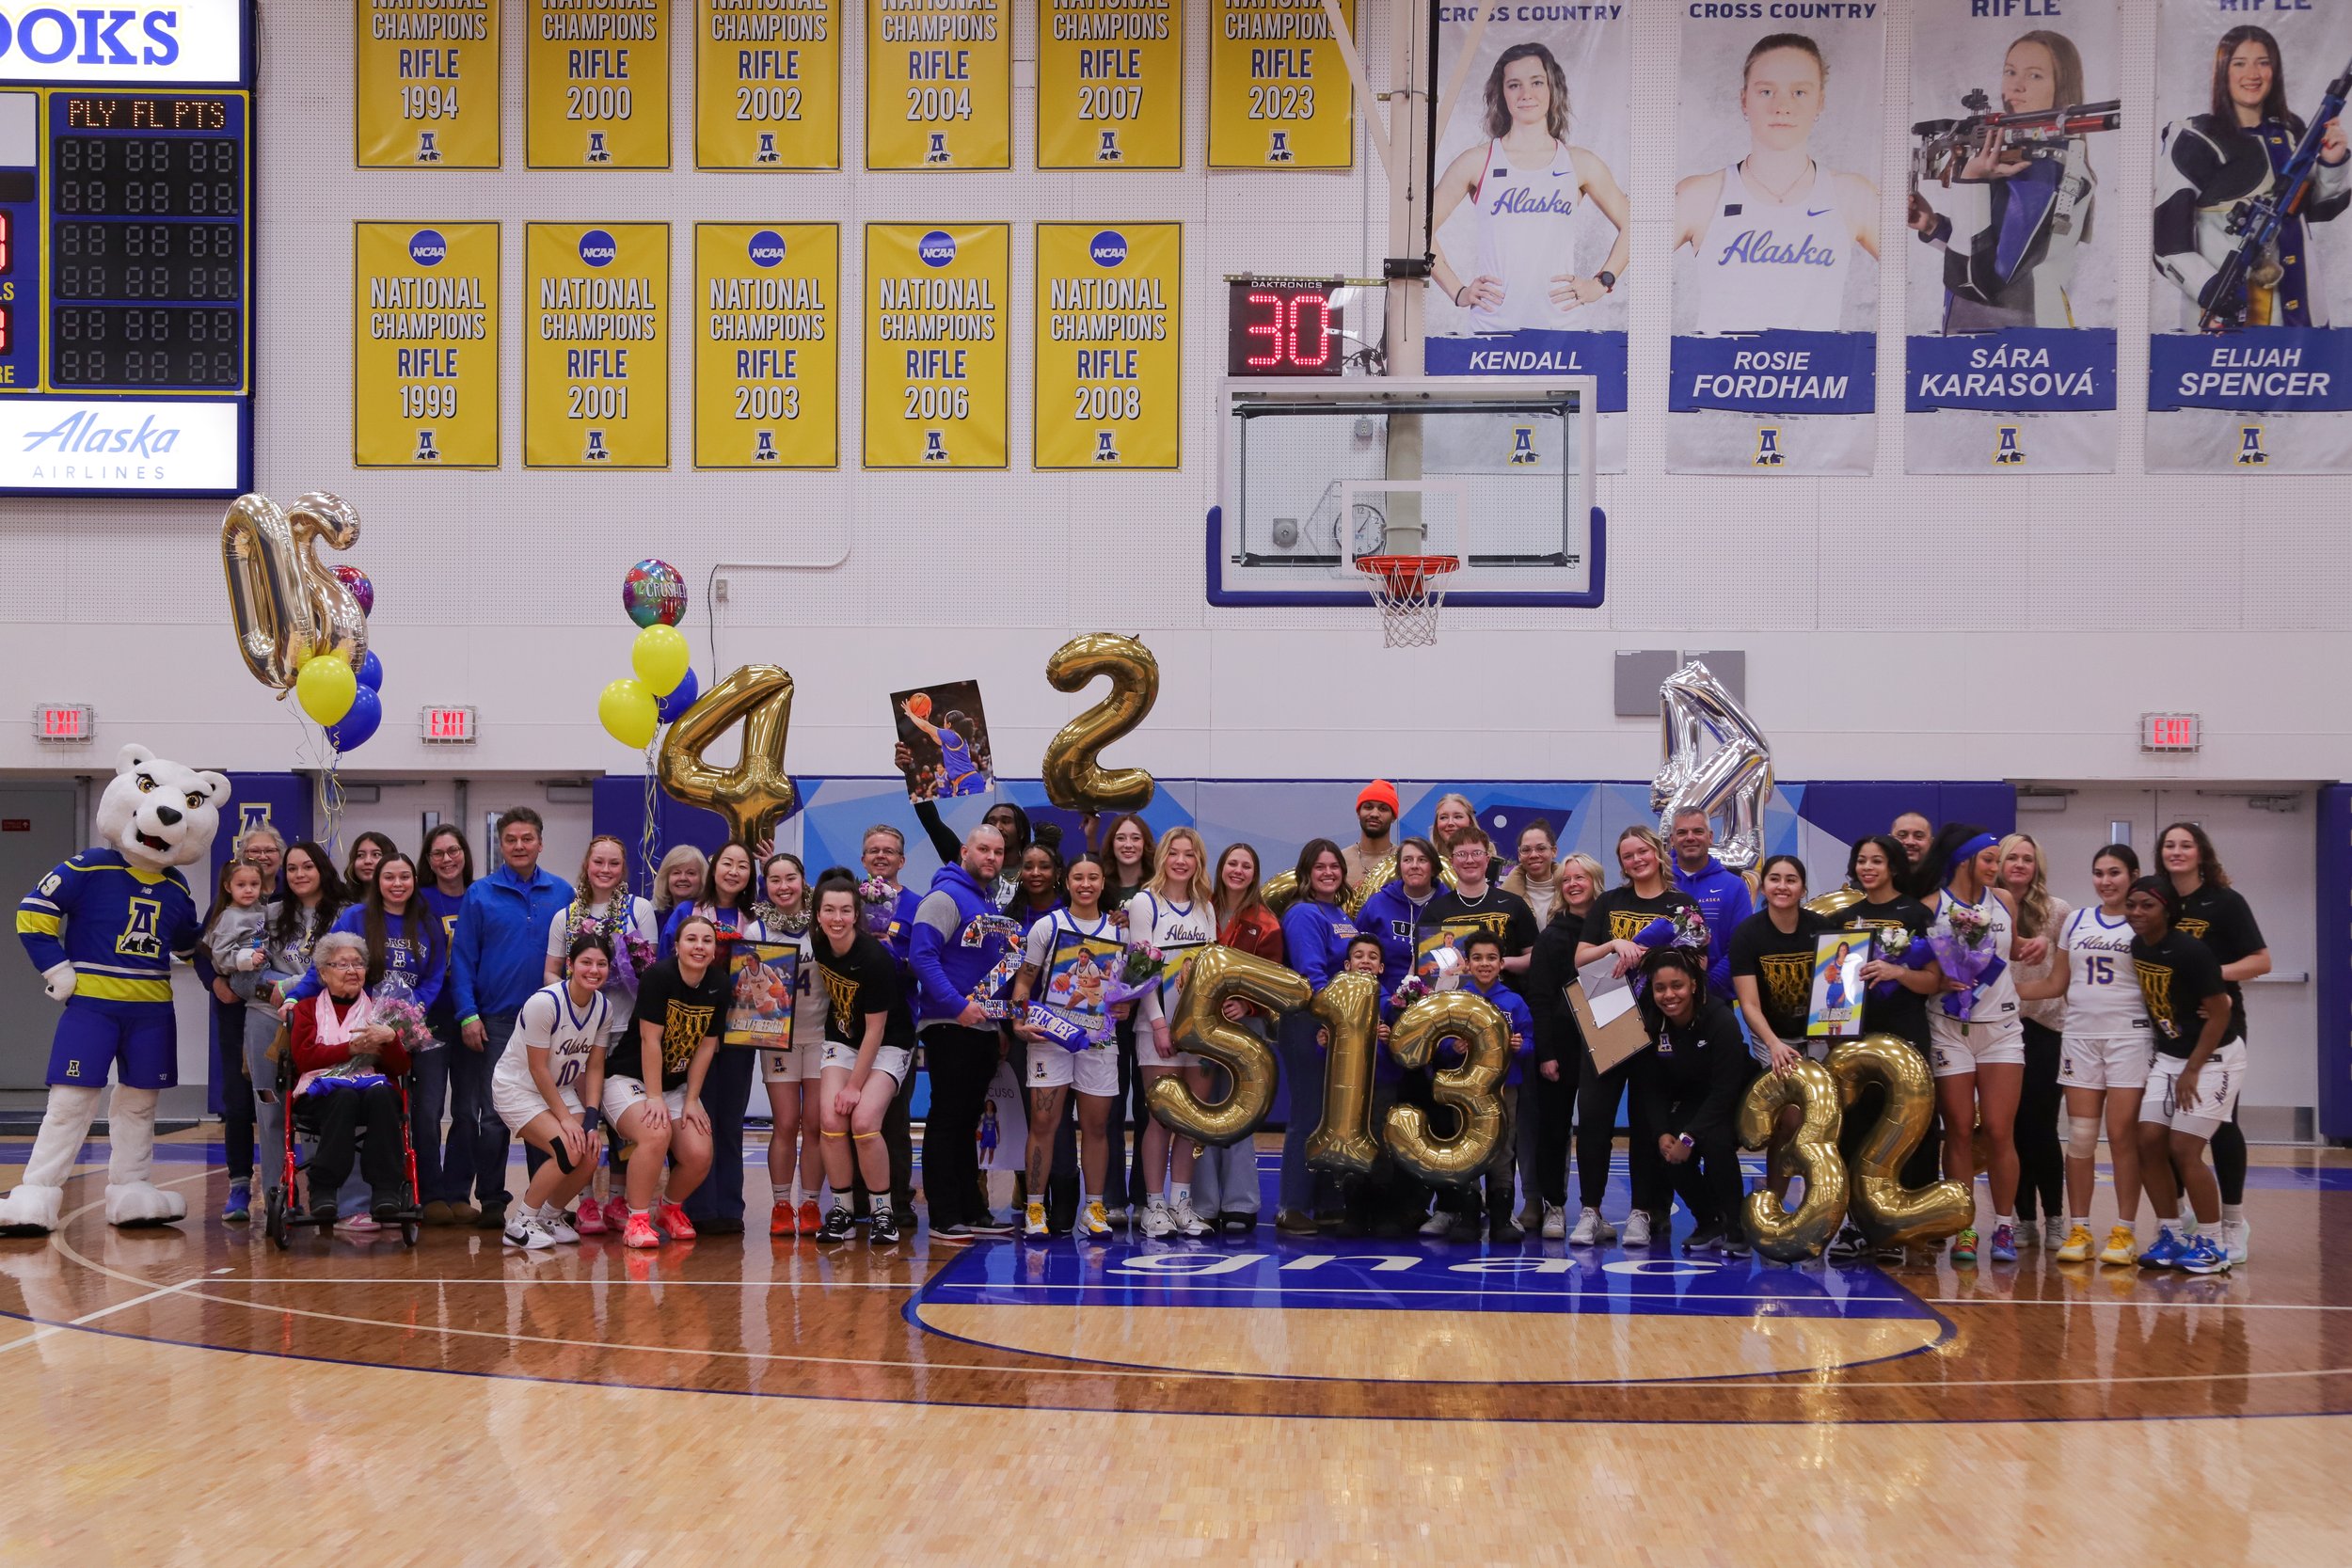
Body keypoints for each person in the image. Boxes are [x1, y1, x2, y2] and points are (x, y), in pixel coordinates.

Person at [1673, 32, 1879, 334]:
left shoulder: (1853, 195)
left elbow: (1918, 273)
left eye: (1799, 92)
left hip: (1816, 377)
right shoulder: (1700, 194)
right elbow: (1631, 267)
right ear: (1744, 99)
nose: (1782, 107)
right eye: (1767, 91)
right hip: (1722, 376)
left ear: (1820, 102)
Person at [2155, 25, 2349, 330]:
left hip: (2306, 320)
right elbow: (2168, 244)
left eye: (2263, 62)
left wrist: (2332, 161)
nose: (2253, 73)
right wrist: (2211, 290)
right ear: (2222, 71)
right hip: (2227, 322)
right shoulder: (2195, 138)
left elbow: (2321, 208)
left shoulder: (2291, 130)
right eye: (2239, 63)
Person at [1431, 40, 1632, 333]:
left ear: (1553, 88)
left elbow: (1635, 226)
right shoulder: (1476, 162)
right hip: (1492, 329)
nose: (1526, 94)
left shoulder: (1579, 162)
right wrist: (1457, 291)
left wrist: (1602, 283)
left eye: (1536, 82)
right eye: (1514, 85)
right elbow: (1417, 232)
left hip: (1563, 331)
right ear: (1502, 93)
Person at [1909, 31, 2102, 331]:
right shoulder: (2023, 157)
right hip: (1992, 334)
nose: (2016, 85)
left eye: (2035, 75)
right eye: (2010, 71)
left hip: (2019, 339)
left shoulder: (2045, 167)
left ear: (2061, 88)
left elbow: (1979, 281)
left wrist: (1971, 180)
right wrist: (1933, 225)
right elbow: (1985, 249)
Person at [2017, 844, 2151, 1266]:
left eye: (2114, 872)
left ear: (2132, 875)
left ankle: (2125, 1231)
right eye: (2099, 873)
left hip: (2128, 1037)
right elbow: (2056, 982)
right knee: (2079, 1138)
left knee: (2123, 1136)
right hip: (2079, 1037)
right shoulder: (2076, 920)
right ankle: (2080, 1228)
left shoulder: (2144, 922)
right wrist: (2001, 993)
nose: (2106, 881)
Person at [1915, 822, 2041, 1265]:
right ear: (1964, 861)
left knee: (2001, 1131)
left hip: (2002, 1028)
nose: (1997, 868)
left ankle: (2004, 1226)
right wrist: (1937, 979)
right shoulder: (1931, 905)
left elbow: (2010, 945)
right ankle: (1964, 1226)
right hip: (1950, 1026)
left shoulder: (2004, 901)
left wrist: (2033, 945)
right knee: (1961, 1131)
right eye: (1989, 860)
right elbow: (1921, 966)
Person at [1574, 825, 1702, 1247]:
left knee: (1649, 1122)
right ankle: (1591, 1211)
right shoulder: (1611, 902)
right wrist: (1616, 944)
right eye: (1627, 855)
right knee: (1594, 1118)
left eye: (1642, 851)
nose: (1636, 860)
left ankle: (1641, 1212)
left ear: (1657, 852)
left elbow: (1699, 960)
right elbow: (1580, 959)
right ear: (1621, 863)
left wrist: (1655, 956)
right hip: (1609, 1017)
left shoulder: (1680, 903)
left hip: (1659, 1021)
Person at [448, 808, 574, 1234]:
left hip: (552, 1025)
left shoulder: (563, 892)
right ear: (500, 845)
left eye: (527, 838)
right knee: (494, 1116)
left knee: (546, 1114)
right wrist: (467, 1014)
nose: (519, 846)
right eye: (511, 840)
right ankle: (491, 1201)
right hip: (497, 1020)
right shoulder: (480, 894)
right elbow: (462, 960)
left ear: (540, 842)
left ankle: (540, 1207)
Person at [1827, 834, 1947, 1261]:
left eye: (1877, 861)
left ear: (1893, 866)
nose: (1868, 868)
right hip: (1855, 1035)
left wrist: (1897, 971)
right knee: (1855, 1124)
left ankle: (1908, 1224)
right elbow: (1832, 981)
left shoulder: (1914, 913)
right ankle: (1856, 1224)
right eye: (1862, 861)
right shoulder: (1846, 917)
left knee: (1911, 1128)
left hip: (1905, 1030)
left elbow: (1934, 980)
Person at [2160, 820, 2268, 1264]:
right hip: (2170, 1030)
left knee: (2222, 1125)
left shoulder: (2225, 903)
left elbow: (2261, 960)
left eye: (2186, 845)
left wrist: (2213, 976)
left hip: (2219, 1026)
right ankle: (2183, 1219)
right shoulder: (2159, 901)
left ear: (2201, 853)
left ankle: (2232, 1221)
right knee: (2171, 1128)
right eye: (2169, 845)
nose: (2177, 851)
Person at [541, 835, 656, 1237]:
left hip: (627, 1028)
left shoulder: (639, 910)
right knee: (584, 1115)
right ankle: (587, 1199)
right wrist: (580, 991)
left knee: (623, 1121)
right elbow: (551, 972)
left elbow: (650, 972)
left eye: (613, 864)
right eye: (598, 863)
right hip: (580, 1032)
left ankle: (620, 1198)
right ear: (586, 866)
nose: (605, 870)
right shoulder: (566, 915)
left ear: (623, 869)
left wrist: (626, 971)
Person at [2124, 877, 2239, 1275]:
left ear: (2167, 910)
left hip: (2213, 1058)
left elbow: (2221, 1010)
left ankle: (2213, 1243)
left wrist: (2192, 1069)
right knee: (2148, 1140)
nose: (2137, 913)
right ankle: (2170, 1233)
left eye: (2146, 906)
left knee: (2185, 1148)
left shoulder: (2192, 952)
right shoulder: (2139, 946)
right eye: (2132, 905)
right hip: (2170, 1056)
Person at [1011, 852, 1124, 1239]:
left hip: (1099, 1039)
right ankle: (1035, 1207)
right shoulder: (1048, 926)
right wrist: (1018, 1018)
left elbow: (1124, 991)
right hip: (1051, 1038)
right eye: (1079, 877)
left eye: (1094, 876)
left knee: (1096, 1127)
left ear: (1103, 881)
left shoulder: (1118, 932)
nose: (1086, 884)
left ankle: (1093, 1207)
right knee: (1043, 1123)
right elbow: (1023, 982)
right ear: (1067, 881)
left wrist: (1125, 1004)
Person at [912, 825, 1015, 1241]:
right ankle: (943, 1215)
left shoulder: (985, 902)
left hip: (981, 1027)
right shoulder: (944, 897)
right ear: (964, 851)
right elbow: (922, 956)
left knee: (966, 1121)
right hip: (949, 1026)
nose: (991, 857)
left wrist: (997, 1023)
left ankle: (972, 1210)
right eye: (983, 849)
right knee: (947, 1120)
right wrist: (956, 1006)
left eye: (999, 851)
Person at [807, 877, 919, 1247]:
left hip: (888, 1042)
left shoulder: (874, 958)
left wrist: (854, 1085)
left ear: (857, 914)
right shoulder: (820, 944)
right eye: (829, 910)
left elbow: (876, 1029)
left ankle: (882, 1213)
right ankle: (841, 1211)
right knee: (829, 1120)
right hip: (843, 1039)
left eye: (845, 910)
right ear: (818, 914)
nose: (836, 918)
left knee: (866, 1121)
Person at [660, 842, 760, 1233]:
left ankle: (729, 1207)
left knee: (730, 1117)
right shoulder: (688, 912)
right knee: (693, 1115)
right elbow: (667, 963)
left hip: (741, 1029)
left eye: (743, 866)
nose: (734, 872)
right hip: (693, 1028)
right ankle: (696, 1208)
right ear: (713, 868)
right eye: (727, 863)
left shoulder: (756, 917)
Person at [608, 914, 724, 1249]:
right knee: (655, 1133)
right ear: (676, 946)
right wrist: (654, 1097)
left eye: (706, 940)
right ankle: (637, 1219)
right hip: (627, 1077)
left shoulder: (718, 983)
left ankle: (669, 1210)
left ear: (715, 949)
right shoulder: (659, 977)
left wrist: (691, 1099)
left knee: (700, 1152)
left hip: (675, 1087)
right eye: (691, 939)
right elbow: (650, 1041)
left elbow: (706, 1047)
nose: (699, 946)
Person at [285, 930, 415, 1228]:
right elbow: (304, 1058)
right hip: (320, 1096)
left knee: (382, 1095)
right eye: (341, 964)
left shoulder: (381, 1010)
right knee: (342, 1096)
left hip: (371, 1094)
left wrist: (391, 1038)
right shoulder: (306, 1009)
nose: (351, 970)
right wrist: (350, 1049)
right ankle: (324, 1191)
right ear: (323, 973)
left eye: (357, 964)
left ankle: (385, 1191)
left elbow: (401, 1066)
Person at [1130, 827, 1224, 1239]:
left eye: (1190, 854)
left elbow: (1213, 972)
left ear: (1199, 861)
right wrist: (1158, 1024)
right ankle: (1154, 1205)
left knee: (1191, 1120)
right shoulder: (1144, 903)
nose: (1182, 861)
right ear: (1163, 858)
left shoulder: (1206, 905)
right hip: (1158, 1026)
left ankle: (1181, 1202)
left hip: (1199, 1029)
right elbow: (1141, 970)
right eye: (1174, 853)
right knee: (1161, 1116)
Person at [490, 934, 612, 1250]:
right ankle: (520, 1222)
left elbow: (595, 1067)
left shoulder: (603, 1008)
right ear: (570, 964)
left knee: (588, 1151)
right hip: (517, 1087)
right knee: (566, 1148)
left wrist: (590, 1119)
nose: (594, 970)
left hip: (559, 1088)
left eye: (601, 963)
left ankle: (549, 1215)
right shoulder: (545, 1002)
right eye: (586, 962)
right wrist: (566, 1120)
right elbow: (537, 1068)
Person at [1630, 947, 1752, 1255]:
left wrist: (1690, 1135)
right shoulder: (1653, 1023)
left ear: (1694, 985)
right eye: (1660, 988)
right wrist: (1663, 1133)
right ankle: (1708, 1222)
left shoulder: (1720, 1019)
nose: (1669, 995)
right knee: (1668, 1150)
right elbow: (1652, 1087)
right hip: (1695, 1098)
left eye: (1677, 986)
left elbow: (1725, 1089)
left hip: (1736, 1097)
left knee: (1715, 1143)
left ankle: (1736, 1226)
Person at [247, 844, 344, 1216]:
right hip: (266, 1019)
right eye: (291, 869)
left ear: (322, 869)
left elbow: (345, 967)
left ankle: (325, 1193)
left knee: (318, 1105)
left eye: (307, 866)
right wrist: (285, 985)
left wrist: (292, 986)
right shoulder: (266, 915)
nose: (299, 874)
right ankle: (279, 1195)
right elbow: (249, 971)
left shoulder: (344, 914)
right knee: (270, 1107)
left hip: (323, 1020)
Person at [195, 825, 281, 1223]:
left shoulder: (286, 902)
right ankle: (239, 1186)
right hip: (234, 1016)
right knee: (239, 1100)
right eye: (253, 851)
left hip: (278, 1014)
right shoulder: (227, 909)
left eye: (268, 851)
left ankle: (289, 1183)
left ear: (279, 857)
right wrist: (216, 981)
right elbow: (202, 950)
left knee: (285, 1099)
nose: (262, 857)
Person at [742, 852, 831, 1238]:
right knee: (784, 1123)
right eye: (774, 879)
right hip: (777, 1039)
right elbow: (745, 992)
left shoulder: (824, 922)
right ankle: (781, 1205)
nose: (783, 886)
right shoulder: (756, 932)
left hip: (822, 1036)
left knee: (814, 1124)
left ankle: (810, 1203)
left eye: (790, 878)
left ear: (803, 879)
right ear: (766, 885)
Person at [1200, 842, 1283, 1233]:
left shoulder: (1266, 923)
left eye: (1245, 865)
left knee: (1237, 1114)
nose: (1237, 870)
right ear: (1220, 867)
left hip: (1244, 1031)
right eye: (1231, 863)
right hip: (1197, 1028)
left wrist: (1247, 1008)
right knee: (1201, 1113)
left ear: (1255, 873)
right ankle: (1201, 1202)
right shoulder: (1199, 910)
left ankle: (1240, 1202)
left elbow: (1273, 983)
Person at [1276, 838, 1356, 1236]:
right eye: (1320, 867)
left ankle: (1326, 1201)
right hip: (1311, 1022)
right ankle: (1292, 1205)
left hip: (1338, 1024)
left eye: (1334, 866)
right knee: (1308, 1114)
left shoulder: (1339, 912)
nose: (1328, 873)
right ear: (1306, 873)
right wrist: (1331, 1019)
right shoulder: (1304, 913)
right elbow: (1313, 974)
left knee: (1331, 1115)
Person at [1525, 850, 1602, 1240]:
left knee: (1594, 1129)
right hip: (1562, 1046)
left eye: (1581, 878)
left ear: (1595, 883)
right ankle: (1554, 1205)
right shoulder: (1552, 936)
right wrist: (1548, 1053)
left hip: (1605, 1044)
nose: (1573, 884)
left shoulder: (1610, 931)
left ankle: (1594, 1209)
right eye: (1567, 879)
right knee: (1554, 1128)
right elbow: (1538, 998)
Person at [1998, 832, 2070, 1247]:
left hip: (2044, 1029)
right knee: (2010, 1130)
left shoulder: (2058, 912)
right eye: (2012, 858)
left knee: (2041, 1127)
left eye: (2028, 858)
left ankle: (2055, 1217)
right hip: (1999, 1031)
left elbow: (2060, 979)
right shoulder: (1985, 908)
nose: (2020, 865)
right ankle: (2023, 1219)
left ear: (2036, 866)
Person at [1448, 931, 1536, 1243]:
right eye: (1477, 958)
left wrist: (1519, 1046)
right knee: (1466, 1150)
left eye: (1491, 958)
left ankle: (1501, 1218)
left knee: (1502, 1150)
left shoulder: (1514, 1002)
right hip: (1465, 1093)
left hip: (1504, 1090)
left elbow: (1530, 1044)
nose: (1484, 964)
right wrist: (1453, 1048)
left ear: (1501, 964)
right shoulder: (1457, 1000)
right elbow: (1440, 1044)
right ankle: (1468, 1217)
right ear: (1467, 965)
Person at [283, 852, 447, 1016]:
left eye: (405, 877)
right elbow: (324, 963)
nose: (397, 883)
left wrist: (406, 1011)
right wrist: (295, 997)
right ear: (377, 882)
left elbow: (432, 980)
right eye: (389, 878)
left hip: (409, 1020)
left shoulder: (430, 925)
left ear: (415, 881)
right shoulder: (355, 917)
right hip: (356, 1016)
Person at [856, 824, 923, 1217]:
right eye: (873, 850)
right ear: (863, 859)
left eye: (889, 851)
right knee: (852, 1115)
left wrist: (893, 956)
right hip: (851, 1025)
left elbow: (926, 965)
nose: (881, 856)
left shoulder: (918, 905)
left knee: (894, 1118)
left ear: (902, 860)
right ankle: (858, 1201)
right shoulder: (847, 902)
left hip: (899, 1024)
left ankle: (898, 1201)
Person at [416, 824, 474, 1225]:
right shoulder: (419, 899)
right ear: (428, 860)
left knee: (469, 1110)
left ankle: (458, 1193)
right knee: (428, 1109)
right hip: (428, 1016)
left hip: (472, 1015)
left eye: (453, 850)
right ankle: (429, 1193)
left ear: (465, 854)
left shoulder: (480, 896)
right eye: (438, 853)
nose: (447, 859)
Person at [1098, 811, 1154, 1217]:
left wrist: (1139, 994)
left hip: (1149, 1010)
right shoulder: (1097, 886)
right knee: (1111, 1105)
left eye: (1136, 837)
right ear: (1111, 843)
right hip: (1110, 1013)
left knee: (1149, 1107)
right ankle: (1113, 1199)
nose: (1129, 844)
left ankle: (1145, 1197)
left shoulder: (1158, 890)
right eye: (1122, 837)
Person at [1729, 854, 1828, 1075]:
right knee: (1788, 1100)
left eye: (1791, 880)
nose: (1782, 886)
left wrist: (1831, 1028)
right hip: (1771, 1035)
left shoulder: (1824, 927)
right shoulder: (1746, 935)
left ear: (1803, 890)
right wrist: (1773, 1043)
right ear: (1763, 887)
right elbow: (1749, 1004)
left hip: (1819, 1035)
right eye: (1775, 879)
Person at [1421, 832, 1538, 977]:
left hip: (1504, 996)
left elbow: (1535, 957)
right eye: (1462, 854)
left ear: (1487, 859)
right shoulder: (1434, 911)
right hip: (1454, 997)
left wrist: (1502, 963)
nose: (1470, 860)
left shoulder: (1514, 904)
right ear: (1452, 862)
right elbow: (1423, 963)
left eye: (1476, 853)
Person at [1667, 807, 1755, 997]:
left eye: (1698, 831)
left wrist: (1707, 985)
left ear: (1710, 836)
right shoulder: (1660, 883)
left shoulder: (1733, 886)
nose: (1690, 837)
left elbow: (1741, 946)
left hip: (1715, 996)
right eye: (1682, 832)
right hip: (1664, 998)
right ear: (1672, 839)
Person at [1359, 836, 1445, 999]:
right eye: (1407, 860)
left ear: (1433, 867)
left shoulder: (1449, 905)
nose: (1414, 866)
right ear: (1399, 868)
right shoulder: (1378, 903)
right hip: (1383, 1001)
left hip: (1438, 1004)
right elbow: (1358, 956)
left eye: (1422, 860)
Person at [899, 698, 987, 798]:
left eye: (944, 722)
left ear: (949, 725)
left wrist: (911, 714)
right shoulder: (955, 738)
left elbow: (925, 727)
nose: (943, 725)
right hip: (965, 782)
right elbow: (935, 737)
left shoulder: (952, 736)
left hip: (969, 783)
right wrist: (926, 722)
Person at [1500, 818, 1564, 928]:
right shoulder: (1502, 898)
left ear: (1554, 851)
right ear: (1519, 855)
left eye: (1541, 848)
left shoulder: (1572, 891)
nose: (1533, 855)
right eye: (1526, 850)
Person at [1342, 780, 1400, 890]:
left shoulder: (1404, 860)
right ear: (1358, 813)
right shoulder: (1340, 860)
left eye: (1383, 809)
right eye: (1368, 807)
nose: (1374, 814)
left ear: (1393, 817)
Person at [650, 845, 709, 930]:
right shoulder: (655, 920)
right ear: (666, 879)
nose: (683, 878)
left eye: (691, 873)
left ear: (702, 879)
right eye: (676, 873)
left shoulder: (711, 915)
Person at [342, 831, 395, 897]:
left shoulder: (401, 903)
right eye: (360, 855)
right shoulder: (343, 902)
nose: (367, 861)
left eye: (376, 854)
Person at [1430, 794, 1476, 858]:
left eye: (1458, 817)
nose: (1450, 823)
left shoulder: (1489, 861)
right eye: (1444, 817)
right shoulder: (1429, 860)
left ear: (1470, 822)